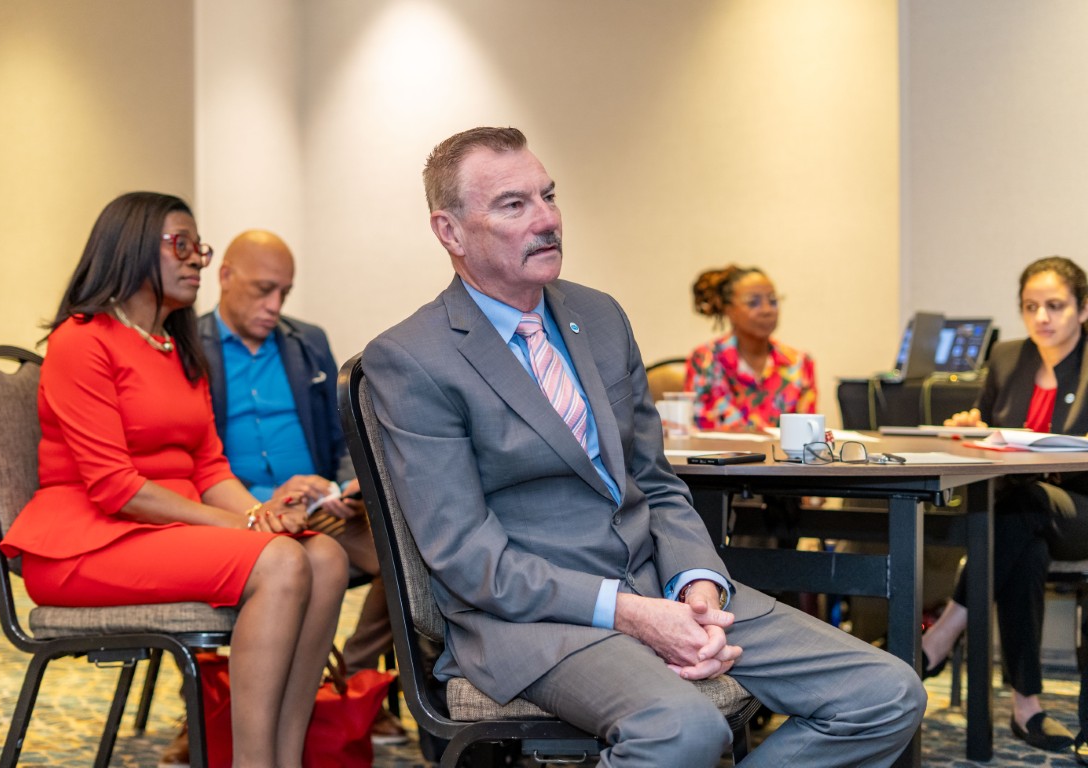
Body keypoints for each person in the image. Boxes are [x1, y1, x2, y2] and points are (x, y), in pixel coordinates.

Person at [361, 126, 925, 766]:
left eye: (549, 196)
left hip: (662, 586)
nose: (547, 219)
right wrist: (627, 612)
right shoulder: (413, 357)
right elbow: (467, 557)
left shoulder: (599, 316)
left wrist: (697, 581)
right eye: (514, 205)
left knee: (886, 693)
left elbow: (654, 481)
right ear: (451, 232)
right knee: (683, 731)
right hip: (533, 622)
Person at [0, 192, 347, 768]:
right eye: (180, 245)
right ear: (130, 246)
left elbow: (209, 467)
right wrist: (245, 525)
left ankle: (285, 758)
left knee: (327, 556)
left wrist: (260, 515)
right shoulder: (81, 340)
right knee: (281, 561)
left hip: (161, 532)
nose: (195, 261)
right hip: (85, 543)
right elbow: (116, 488)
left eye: (198, 249)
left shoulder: (175, 346)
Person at [198, 229, 406, 744]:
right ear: (225, 276)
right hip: (236, 513)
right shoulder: (190, 347)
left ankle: (348, 679)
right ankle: (210, 709)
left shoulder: (306, 342)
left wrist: (346, 485)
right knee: (269, 575)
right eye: (263, 290)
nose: (275, 306)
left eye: (284, 293)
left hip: (316, 507)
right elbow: (190, 457)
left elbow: (342, 435)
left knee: (409, 551)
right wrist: (255, 505)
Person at [921, 255, 1088, 757]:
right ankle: (1026, 707)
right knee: (1023, 544)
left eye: (1055, 305)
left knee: (1020, 508)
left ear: (1083, 310)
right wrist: (974, 427)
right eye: (1030, 306)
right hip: (1021, 510)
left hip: (1080, 510)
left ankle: (943, 632)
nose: (1042, 317)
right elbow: (994, 431)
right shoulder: (1008, 357)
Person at [685, 265, 816, 432]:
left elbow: (808, 431)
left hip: (782, 451)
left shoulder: (799, 362)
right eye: (753, 303)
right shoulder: (705, 360)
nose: (767, 310)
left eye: (773, 301)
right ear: (729, 310)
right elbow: (699, 428)